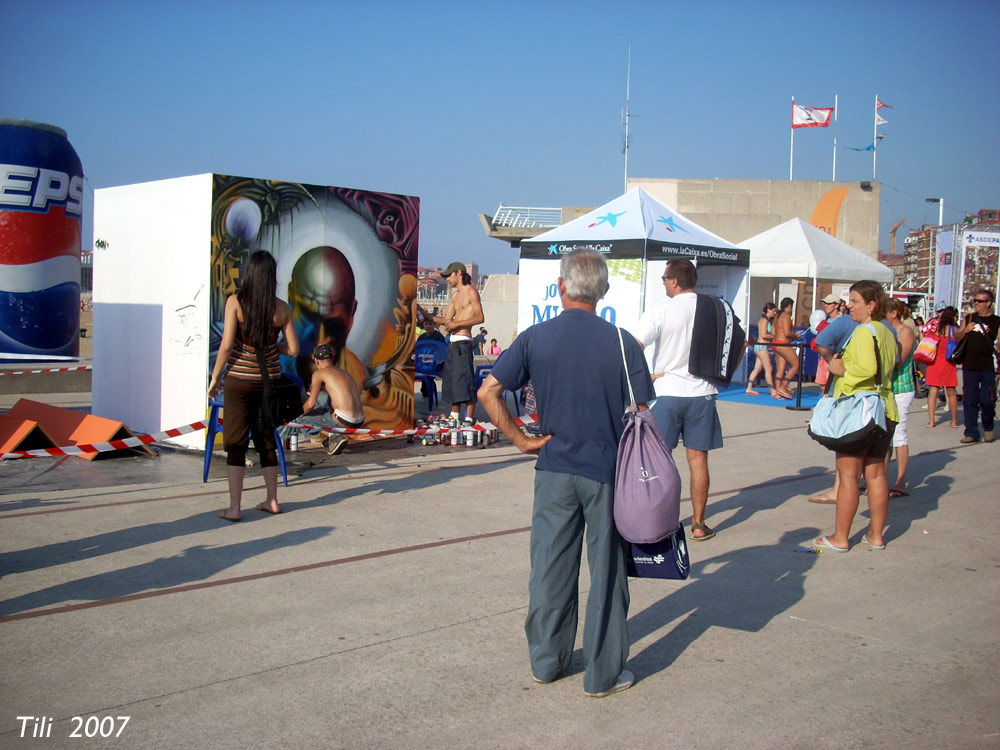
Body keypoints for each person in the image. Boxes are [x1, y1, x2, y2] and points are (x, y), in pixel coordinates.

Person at [477, 248, 653, 698]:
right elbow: (641, 412)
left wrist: (520, 439)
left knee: (551, 569)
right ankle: (602, 675)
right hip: (606, 472)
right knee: (607, 573)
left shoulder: (536, 338)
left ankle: (547, 662)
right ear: (604, 291)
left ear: (560, 288)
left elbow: (489, 391)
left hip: (554, 467)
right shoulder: (622, 341)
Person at [208, 251, 299, 521]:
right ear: (271, 277)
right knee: (267, 441)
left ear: (250, 274)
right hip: (268, 381)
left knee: (235, 443)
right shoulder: (281, 308)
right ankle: (272, 500)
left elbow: (226, 345)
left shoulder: (236, 302)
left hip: (238, 380)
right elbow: (293, 349)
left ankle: (235, 507)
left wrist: (215, 378)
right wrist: (271, 345)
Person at [634, 258, 721, 541]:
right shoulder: (715, 308)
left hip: (668, 391)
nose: (662, 283)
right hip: (702, 393)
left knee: (661, 461)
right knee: (698, 461)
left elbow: (635, 344)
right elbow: (738, 340)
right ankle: (698, 523)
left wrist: (645, 378)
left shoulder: (662, 310)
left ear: (673, 281)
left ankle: (663, 521)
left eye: (663, 278)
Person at [814, 280, 899, 552]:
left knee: (848, 475)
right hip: (885, 407)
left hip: (860, 411)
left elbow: (865, 369)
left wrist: (840, 370)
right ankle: (875, 535)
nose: (848, 306)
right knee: (875, 474)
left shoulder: (864, 331)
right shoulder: (887, 332)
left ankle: (841, 537)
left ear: (871, 305)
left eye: (854, 301)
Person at [417, 263, 484, 423]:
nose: (447, 279)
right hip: (453, 345)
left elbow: (480, 317)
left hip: (464, 342)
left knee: (466, 381)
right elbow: (445, 320)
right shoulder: (455, 296)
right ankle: (454, 417)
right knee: (453, 381)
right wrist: (423, 313)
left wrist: (457, 324)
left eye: (449, 276)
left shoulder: (471, 292)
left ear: (458, 273)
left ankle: (469, 418)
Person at [297, 342, 365, 455]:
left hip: (343, 421)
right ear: (332, 358)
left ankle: (333, 436)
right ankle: (330, 440)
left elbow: (311, 404)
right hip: (360, 421)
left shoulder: (319, 374)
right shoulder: (344, 372)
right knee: (323, 398)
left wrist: (298, 414)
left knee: (302, 419)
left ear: (316, 361)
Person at [954, 289, 1000, 443]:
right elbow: (957, 337)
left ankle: (988, 426)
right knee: (970, 400)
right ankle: (971, 432)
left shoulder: (997, 321)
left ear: (989, 303)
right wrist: (965, 331)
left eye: (980, 301)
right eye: (975, 301)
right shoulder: (970, 318)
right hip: (970, 365)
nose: (976, 304)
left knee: (988, 399)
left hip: (988, 366)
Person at [884, 299, 917, 497]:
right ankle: (881, 478)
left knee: (899, 435)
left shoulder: (905, 332)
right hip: (887, 388)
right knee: (884, 437)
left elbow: (899, 360)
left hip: (901, 388)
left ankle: (900, 481)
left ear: (894, 313)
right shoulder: (887, 331)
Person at [922, 307, 960, 429]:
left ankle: (931, 421)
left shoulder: (936, 328)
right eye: (956, 316)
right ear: (952, 317)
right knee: (951, 392)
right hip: (948, 363)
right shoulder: (954, 330)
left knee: (933, 392)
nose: (957, 318)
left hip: (934, 363)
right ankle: (954, 420)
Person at [772, 297, 801, 399]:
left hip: (775, 342)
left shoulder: (777, 316)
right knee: (796, 364)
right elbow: (787, 333)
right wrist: (796, 335)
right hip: (782, 343)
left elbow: (773, 332)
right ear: (789, 306)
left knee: (781, 368)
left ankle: (777, 391)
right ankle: (783, 387)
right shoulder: (786, 316)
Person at [746, 303, 777, 397]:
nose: (775, 313)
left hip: (761, 346)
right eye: (774, 311)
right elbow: (763, 335)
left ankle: (749, 387)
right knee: (769, 368)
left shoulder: (766, 321)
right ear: (768, 310)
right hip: (762, 346)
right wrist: (773, 336)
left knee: (757, 368)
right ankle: (772, 389)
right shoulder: (764, 321)